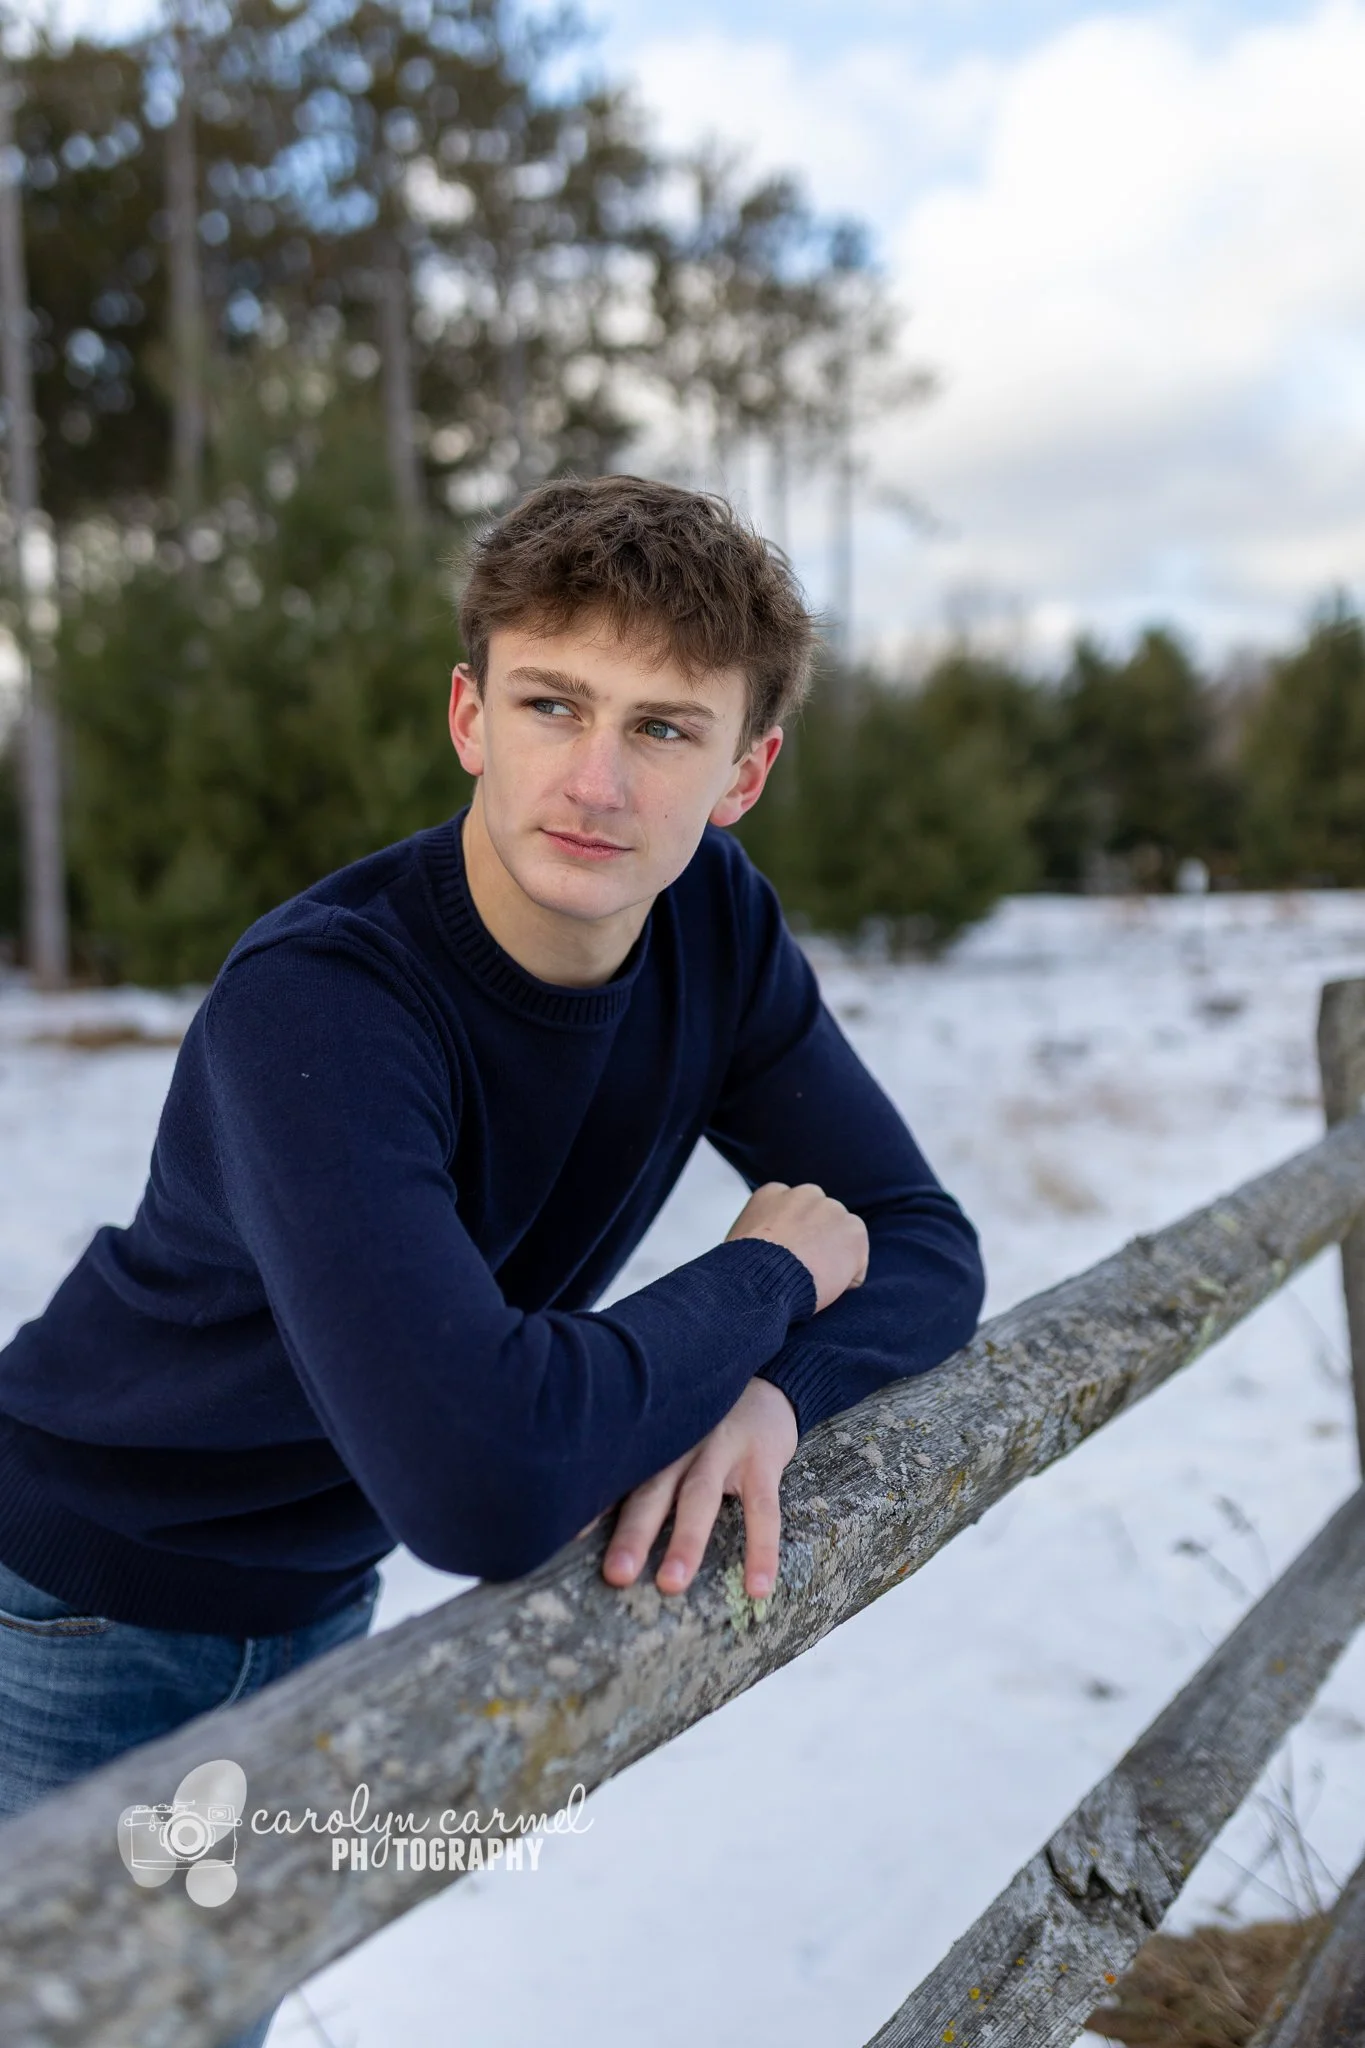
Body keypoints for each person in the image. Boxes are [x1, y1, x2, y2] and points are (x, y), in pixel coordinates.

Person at [0, 475, 984, 2046]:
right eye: (552, 704)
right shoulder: (321, 1005)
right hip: (66, 1604)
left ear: (744, 772)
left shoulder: (711, 927)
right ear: (471, 717)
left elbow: (923, 1240)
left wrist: (773, 1391)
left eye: (664, 729)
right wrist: (761, 1282)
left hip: (310, 1596)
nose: (596, 780)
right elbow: (481, 1480)